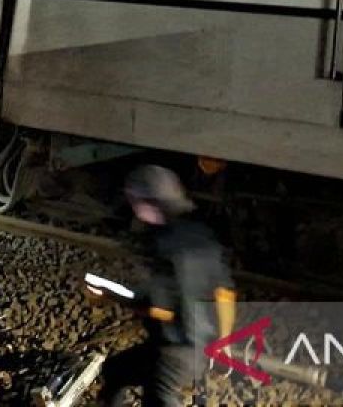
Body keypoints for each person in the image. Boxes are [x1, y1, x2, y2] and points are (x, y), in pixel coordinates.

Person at [90, 166, 235, 407]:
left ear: (149, 204)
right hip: (202, 349)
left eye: (135, 202)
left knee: (158, 399)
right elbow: (225, 293)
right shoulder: (202, 235)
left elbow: (160, 310)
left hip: (173, 354)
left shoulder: (162, 246)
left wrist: (109, 294)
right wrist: (224, 342)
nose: (134, 210)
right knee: (115, 370)